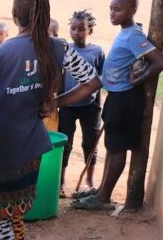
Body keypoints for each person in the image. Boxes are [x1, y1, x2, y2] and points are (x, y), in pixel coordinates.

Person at [0, 0, 101, 239]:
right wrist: (56, 102)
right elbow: (92, 82)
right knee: (16, 212)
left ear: (15, 15)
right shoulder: (60, 48)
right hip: (31, 146)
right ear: (46, 15)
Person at [73, 0, 163, 211]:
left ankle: (103, 198)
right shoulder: (126, 33)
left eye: (118, 9)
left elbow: (160, 62)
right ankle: (101, 192)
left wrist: (139, 81)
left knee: (117, 149)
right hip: (116, 96)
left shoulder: (133, 36)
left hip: (125, 99)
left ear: (132, 11)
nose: (112, 13)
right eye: (111, 9)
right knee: (112, 145)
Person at [59, 10, 105, 198]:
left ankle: (89, 182)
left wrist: (98, 102)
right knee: (65, 143)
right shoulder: (65, 50)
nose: (77, 32)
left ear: (90, 30)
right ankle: (60, 181)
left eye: (81, 29)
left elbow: (101, 78)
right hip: (67, 106)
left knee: (90, 143)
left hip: (90, 106)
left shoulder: (97, 51)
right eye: (73, 29)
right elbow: (59, 77)